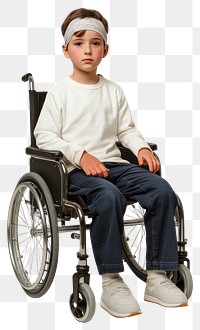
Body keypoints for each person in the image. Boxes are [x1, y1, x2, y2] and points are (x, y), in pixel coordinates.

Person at [34, 8, 188, 318]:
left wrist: (141, 147)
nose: (87, 50)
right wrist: (81, 154)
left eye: (95, 43)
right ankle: (111, 281)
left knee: (161, 190)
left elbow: (126, 131)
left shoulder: (113, 91)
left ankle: (157, 276)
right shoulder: (60, 94)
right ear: (65, 50)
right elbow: (44, 137)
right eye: (78, 43)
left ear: (106, 49)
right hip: (73, 171)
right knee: (108, 195)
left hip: (113, 164)